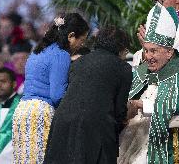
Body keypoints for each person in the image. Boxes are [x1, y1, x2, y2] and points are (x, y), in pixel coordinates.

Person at [118, 3, 179, 164]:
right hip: (137, 132)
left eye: (153, 51)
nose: (148, 56)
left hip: (174, 139)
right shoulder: (144, 69)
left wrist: (140, 105)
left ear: (169, 52)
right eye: (146, 50)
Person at [43, 26, 133, 164]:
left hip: (62, 124)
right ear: (121, 48)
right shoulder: (123, 68)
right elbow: (119, 110)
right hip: (95, 129)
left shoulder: (78, 62)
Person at [12, 13, 89, 163]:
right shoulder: (61, 55)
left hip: (22, 111)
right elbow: (57, 95)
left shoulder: (39, 50)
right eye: (82, 40)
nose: (81, 45)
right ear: (71, 36)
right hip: (40, 113)